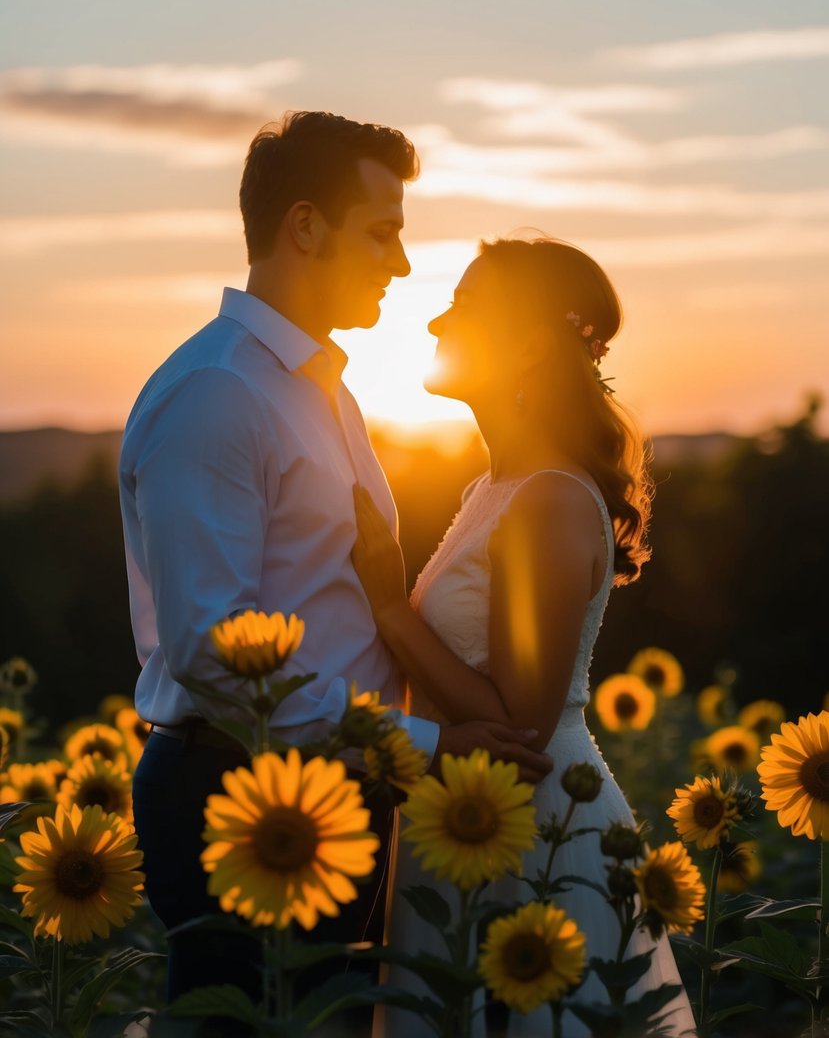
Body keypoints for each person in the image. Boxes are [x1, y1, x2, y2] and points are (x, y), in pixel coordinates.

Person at [118, 112, 552, 1029]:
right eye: (382, 231)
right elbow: (211, 649)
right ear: (304, 226)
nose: (399, 263)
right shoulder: (218, 393)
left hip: (328, 785)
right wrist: (427, 751)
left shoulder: (323, 390)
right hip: (237, 792)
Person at [351, 236, 697, 1036]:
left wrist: (389, 605)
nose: (436, 319)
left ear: (532, 346)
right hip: (472, 818)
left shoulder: (544, 499)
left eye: (465, 306)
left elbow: (521, 722)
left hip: (532, 832)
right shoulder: (494, 488)